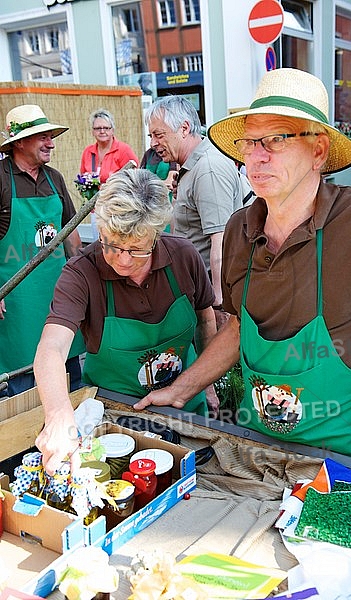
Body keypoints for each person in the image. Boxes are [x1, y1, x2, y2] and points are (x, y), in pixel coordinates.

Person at [134, 68, 351, 469]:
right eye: (250, 142)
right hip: (259, 457)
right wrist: (181, 388)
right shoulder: (240, 230)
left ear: (318, 151)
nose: (256, 156)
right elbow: (239, 329)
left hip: (346, 461)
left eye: (275, 139)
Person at [34, 168, 218, 474]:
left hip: (185, 410)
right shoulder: (81, 274)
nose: (122, 260)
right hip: (115, 420)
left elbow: (205, 320)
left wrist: (206, 383)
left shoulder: (184, 257)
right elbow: (51, 348)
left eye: (136, 249)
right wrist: (58, 416)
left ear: (157, 235)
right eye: (111, 244)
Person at [0, 104, 83, 397]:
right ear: (19, 143)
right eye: (42, 137)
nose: (51, 143)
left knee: (70, 381)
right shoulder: (0, 179)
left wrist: (87, 278)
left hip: (58, 297)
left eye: (51, 136)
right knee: (22, 388)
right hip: (17, 304)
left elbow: (71, 237)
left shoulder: (54, 178)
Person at [144, 96, 248, 328]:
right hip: (195, 291)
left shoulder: (207, 169)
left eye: (159, 135)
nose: (153, 143)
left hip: (209, 298)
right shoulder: (190, 166)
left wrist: (219, 305)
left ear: (184, 128)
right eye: (151, 135)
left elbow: (220, 242)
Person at [79, 108, 139, 184]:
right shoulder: (88, 152)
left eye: (106, 128)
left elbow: (135, 178)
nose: (102, 131)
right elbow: (82, 178)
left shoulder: (123, 150)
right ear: (92, 132)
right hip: (93, 196)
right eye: (98, 128)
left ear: (112, 130)